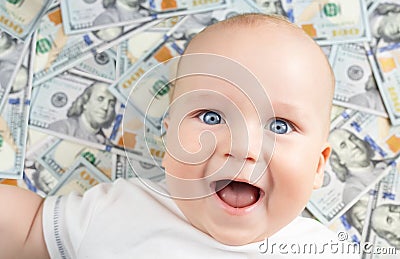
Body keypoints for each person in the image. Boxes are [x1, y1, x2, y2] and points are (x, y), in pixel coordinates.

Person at [0, 14, 358, 258]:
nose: (242, 147)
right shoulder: (120, 210)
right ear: (169, 141)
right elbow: (30, 228)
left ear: (318, 166)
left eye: (279, 126)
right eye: (212, 116)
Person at [328, 128, 387, 204]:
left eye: (352, 138)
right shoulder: (353, 191)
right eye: (343, 146)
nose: (353, 145)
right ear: (339, 160)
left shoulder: (386, 163)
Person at [48, 82, 116, 145]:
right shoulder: (62, 128)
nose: (106, 107)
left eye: (111, 104)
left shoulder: (107, 144)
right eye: (100, 99)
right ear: (85, 102)